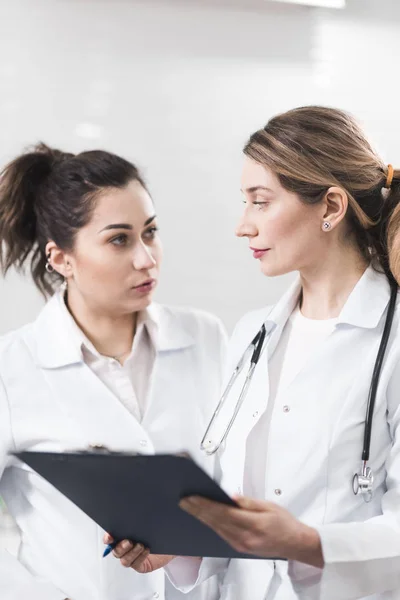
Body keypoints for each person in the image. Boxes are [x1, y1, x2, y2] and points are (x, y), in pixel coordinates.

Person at [109, 106, 400, 600]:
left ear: (331, 207)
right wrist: (181, 545)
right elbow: (239, 511)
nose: (243, 226)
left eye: (260, 202)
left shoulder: (392, 341)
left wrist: (308, 543)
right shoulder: (252, 335)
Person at [0, 143, 227, 600]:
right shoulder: (13, 366)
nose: (147, 258)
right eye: (119, 239)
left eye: (151, 232)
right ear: (62, 259)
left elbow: (235, 485)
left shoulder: (206, 337)